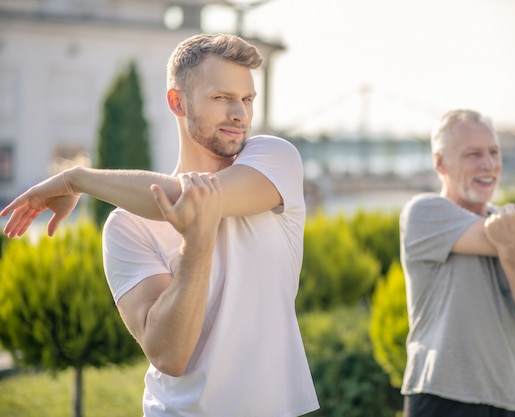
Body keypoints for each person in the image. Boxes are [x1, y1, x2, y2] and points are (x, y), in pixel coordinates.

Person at [1, 33, 319, 417]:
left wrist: (77, 179)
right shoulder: (125, 226)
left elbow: (191, 196)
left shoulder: (275, 159)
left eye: (247, 99)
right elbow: (169, 354)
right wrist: (196, 246)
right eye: (222, 98)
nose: (240, 114)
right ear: (177, 102)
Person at [399, 109, 515, 417]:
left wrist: (513, 249)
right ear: (440, 162)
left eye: (494, 152)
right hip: (441, 397)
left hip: (511, 401)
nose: (488, 164)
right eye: (473, 154)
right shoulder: (424, 213)